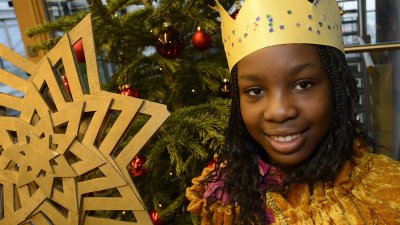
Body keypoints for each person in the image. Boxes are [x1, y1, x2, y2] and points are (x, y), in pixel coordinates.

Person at [186, 0, 400, 224]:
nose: (279, 112)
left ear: (336, 87)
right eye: (255, 90)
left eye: (303, 85)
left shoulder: (385, 192)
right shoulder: (222, 198)